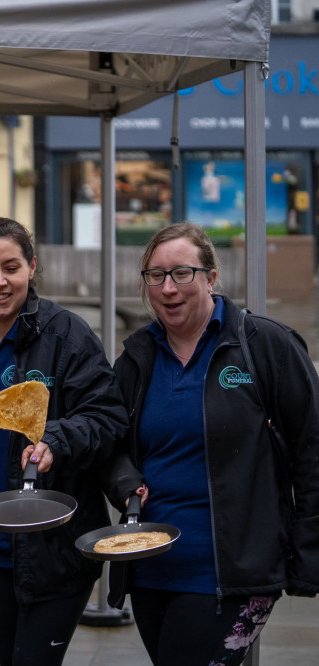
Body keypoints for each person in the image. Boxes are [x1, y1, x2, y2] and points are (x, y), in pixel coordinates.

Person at [104, 222, 319, 665]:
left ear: (211, 277)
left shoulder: (264, 346)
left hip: (237, 570)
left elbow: (312, 451)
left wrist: (307, 554)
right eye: (155, 276)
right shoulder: (137, 358)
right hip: (152, 567)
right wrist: (125, 481)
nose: (168, 288)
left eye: (182, 273)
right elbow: (110, 445)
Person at [0, 216, 129, 666]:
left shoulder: (67, 334)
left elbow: (108, 417)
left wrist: (57, 439)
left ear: (32, 266)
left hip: (55, 544)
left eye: (11, 267)